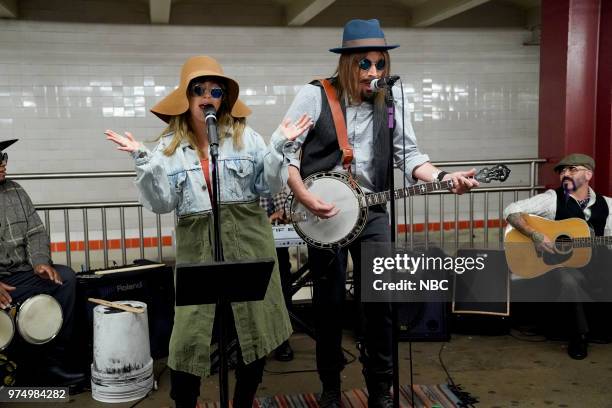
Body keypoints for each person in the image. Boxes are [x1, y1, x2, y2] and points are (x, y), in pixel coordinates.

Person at [265, 19, 478, 408]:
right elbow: (285, 153)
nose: (375, 72)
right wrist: (303, 196)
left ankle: (380, 387)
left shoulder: (391, 101)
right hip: (324, 212)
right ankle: (331, 387)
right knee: (328, 305)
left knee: (380, 301)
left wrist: (445, 177)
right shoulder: (315, 96)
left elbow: (409, 155)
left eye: (380, 64)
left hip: (374, 208)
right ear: (348, 63)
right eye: (365, 64)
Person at [105, 56, 294, 408]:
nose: (208, 96)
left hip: (249, 245)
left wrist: (280, 147)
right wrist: (144, 162)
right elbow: (161, 204)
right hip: (198, 251)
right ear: (186, 97)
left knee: (253, 337)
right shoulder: (167, 148)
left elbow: (268, 185)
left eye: (216, 91)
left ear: (223, 99)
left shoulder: (245, 137)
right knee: (188, 342)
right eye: (199, 89)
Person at [504, 153, 612, 360]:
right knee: (570, 280)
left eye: (572, 169)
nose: (565, 173)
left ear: (588, 174)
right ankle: (579, 336)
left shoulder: (607, 204)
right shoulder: (552, 199)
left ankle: (602, 329)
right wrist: (535, 235)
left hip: (596, 264)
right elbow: (511, 210)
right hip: (559, 264)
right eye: (562, 170)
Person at [0, 138, 85, 387]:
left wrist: (40, 262)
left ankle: (53, 364)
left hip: (23, 274)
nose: (3, 164)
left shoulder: (15, 191)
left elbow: (36, 232)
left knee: (66, 278)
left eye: (3, 158)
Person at [259, 189, 294, 361]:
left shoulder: (267, 170)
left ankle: (282, 340)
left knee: (281, 283)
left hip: (270, 239)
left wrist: (278, 215)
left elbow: (283, 212)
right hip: (244, 238)